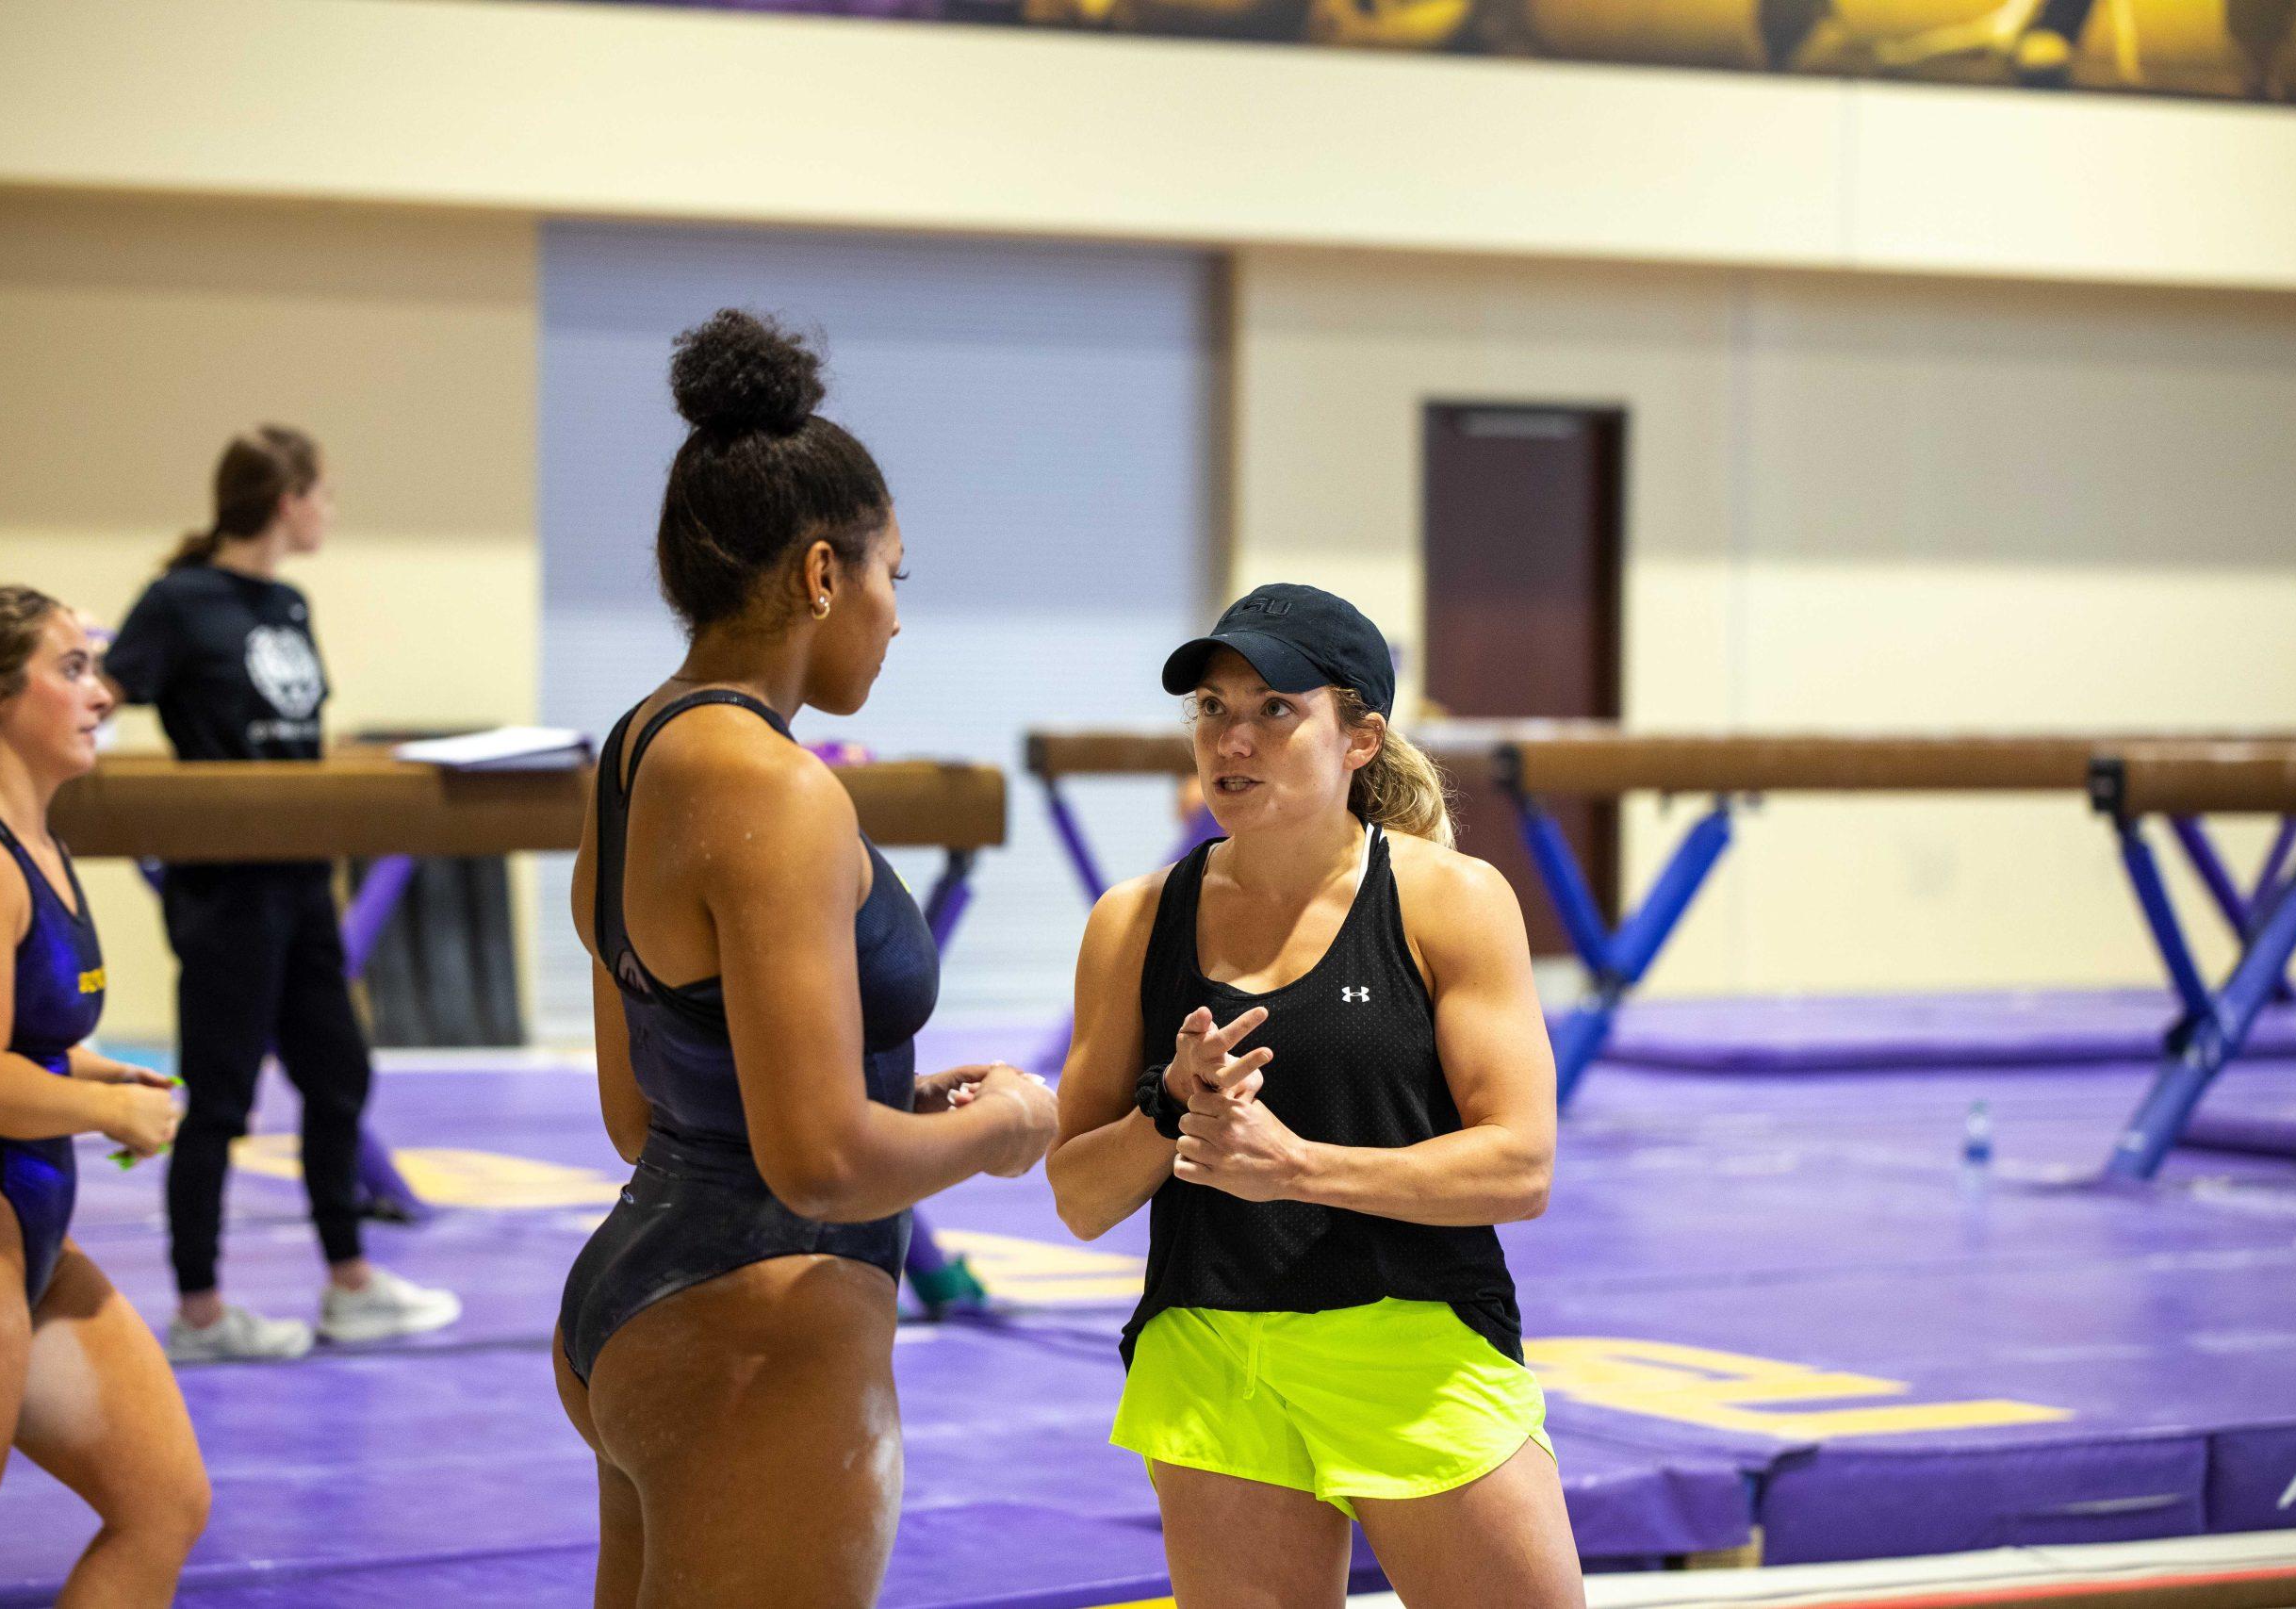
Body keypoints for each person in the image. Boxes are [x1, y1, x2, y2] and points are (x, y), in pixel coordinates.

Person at [552, 309, 1059, 1608]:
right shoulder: (778, 789)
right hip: (760, 1327)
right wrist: (1004, 1126)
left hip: (640, 1289)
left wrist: (884, 1100)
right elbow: (821, 1161)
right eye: (896, 575)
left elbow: (639, 1110)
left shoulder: (632, 751)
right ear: (822, 573)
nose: (896, 619)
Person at [1046, 583, 1584, 1609]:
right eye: (1211, 710)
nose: (1230, 740)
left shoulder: (1446, 901)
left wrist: (1296, 1168)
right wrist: (1169, 1106)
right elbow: (1077, 1198)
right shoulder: (1133, 921)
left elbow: (1519, 1166)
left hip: (1411, 1345)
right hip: (1208, 1348)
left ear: (1360, 738)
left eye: (1272, 709)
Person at [104, 426, 460, 1363]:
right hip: (227, 890)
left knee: (337, 1074)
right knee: (218, 1102)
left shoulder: (290, 604)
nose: (331, 513)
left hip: (303, 880)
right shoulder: (180, 602)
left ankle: (349, 1284)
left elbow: (298, 734)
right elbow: (101, 695)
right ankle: (201, 1310)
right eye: (324, 494)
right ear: (284, 498)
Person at [0, 586, 209, 1605]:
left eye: (97, 669)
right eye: (71, 669)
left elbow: (25, 1046)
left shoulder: (42, 849)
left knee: (164, 1504)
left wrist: (109, 1076)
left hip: (27, 1218)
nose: (103, 693)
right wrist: (114, 1115)